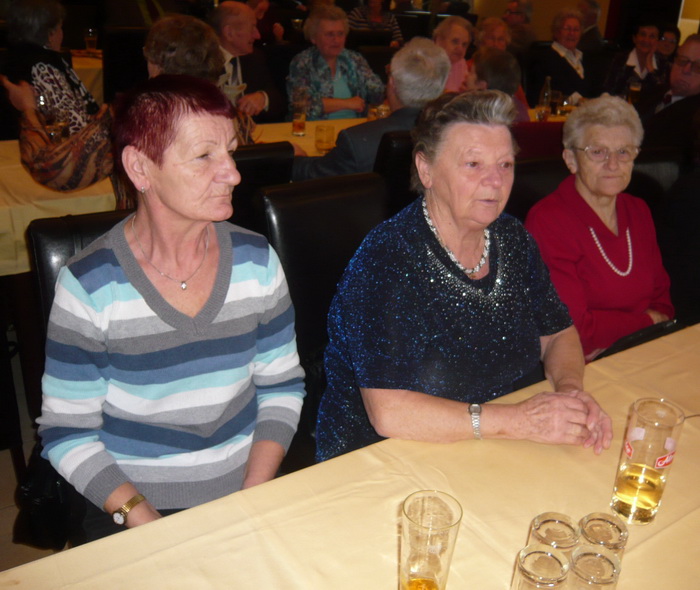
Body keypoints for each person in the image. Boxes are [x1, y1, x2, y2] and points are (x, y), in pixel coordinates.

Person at [37, 74, 306, 542]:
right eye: (204, 156)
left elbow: (281, 386)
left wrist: (253, 496)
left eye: (230, 151)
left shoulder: (256, 261)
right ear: (140, 169)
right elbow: (67, 433)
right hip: (132, 503)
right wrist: (149, 525)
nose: (233, 174)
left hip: (248, 484)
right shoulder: (91, 285)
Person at [315, 90, 613, 462]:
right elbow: (389, 412)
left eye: (505, 164)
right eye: (473, 164)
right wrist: (519, 421)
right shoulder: (388, 257)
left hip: (496, 444)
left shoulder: (512, 237)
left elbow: (557, 333)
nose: (495, 181)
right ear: (426, 169)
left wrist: (570, 393)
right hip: (387, 459)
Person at [1, 14, 239, 204]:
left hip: (154, 239)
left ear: (153, 61)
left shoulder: (138, 117)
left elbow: (52, 172)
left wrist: (27, 109)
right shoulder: (232, 116)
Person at [525, 95, 674, 361]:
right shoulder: (549, 221)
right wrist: (648, 321)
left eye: (623, 151)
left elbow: (663, 302)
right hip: (584, 366)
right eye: (597, 152)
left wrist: (626, 330)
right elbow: (573, 330)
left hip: (645, 352)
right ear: (571, 159)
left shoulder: (638, 210)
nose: (613, 164)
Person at [292, 37, 449, 180]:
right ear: (441, 88)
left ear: (392, 83)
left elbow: (313, 175)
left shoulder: (357, 140)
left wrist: (297, 157)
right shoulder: (451, 133)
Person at [5, 0, 99, 136]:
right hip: (55, 144)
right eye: (60, 28)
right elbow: (74, 125)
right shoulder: (43, 66)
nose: (62, 34)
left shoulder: (15, 56)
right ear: (50, 34)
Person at [286, 5, 384, 121]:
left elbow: (377, 94)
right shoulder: (303, 62)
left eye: (340, 34)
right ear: (313, 38)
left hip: (355, 127)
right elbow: (302, 105)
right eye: (329, 34)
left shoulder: (354, 59)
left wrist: (392, 78)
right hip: (315, 129)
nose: (336, 40)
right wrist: (347, 103)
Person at [210, 1, 285, 122]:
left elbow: (278, 103)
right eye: (252, 28)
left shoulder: (255, 58)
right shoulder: (203, 63)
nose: (257, 35)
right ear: (229, 33)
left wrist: (263, 98)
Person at [635, 35, 700, 165]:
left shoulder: (696, 118)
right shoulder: (656, 91)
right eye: (682, 61)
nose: (686, 70)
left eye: (698, 67)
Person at [527, 9, 592, 107]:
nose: (572, 33)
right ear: (556, 32)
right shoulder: (544, 58)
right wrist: (582, 101)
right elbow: (556, 93)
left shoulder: (586, 59)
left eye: (576, 30)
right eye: (567, 29)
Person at [604, 23, 668, 100]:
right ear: (634, 38)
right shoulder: (619, 60)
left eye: (652, 36)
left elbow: (661, 94)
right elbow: (607, 92)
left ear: (657, 42)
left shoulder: (663, 64)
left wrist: (650, 67)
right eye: (643, 35)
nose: (646, 40)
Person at [464, 47, 529, 122]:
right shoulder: (519, 108)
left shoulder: (476, 114)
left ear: (482, 86)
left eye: (471, 72)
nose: (466, 75)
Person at [432, 16, 472, 93]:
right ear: (439, 40)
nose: (460, 49)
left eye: (464, 44)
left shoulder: (461, 63)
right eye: (455, 41)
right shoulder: (425, 62)